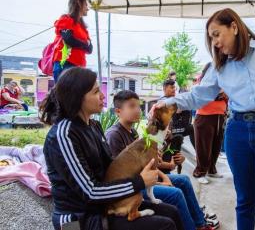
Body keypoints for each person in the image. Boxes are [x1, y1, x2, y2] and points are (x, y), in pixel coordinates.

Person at [153, 8, 255, 230]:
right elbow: (198, 95)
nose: (214, 43)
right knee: (244, 201)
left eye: (216, 34)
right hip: (238, 131)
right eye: (210, 38)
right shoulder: (218, 66)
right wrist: (166, 102)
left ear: (234, 27)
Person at [40, 67, 182, 230]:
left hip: (104, 204)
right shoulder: (63, 135)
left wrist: (141, 156)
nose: (102, 95)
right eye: (95, 92)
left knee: (171, 212)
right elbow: (89, 192)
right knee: (165, 225)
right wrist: (139, 182)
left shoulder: (93, 125)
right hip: (77, 220)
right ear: (77, 98)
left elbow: (112, 164)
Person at [105, 90, 219, 230]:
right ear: (118, 111)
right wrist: (162, 179)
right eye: (131, 106)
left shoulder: (133, 132)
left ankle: (199, 223)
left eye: (138, 105)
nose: (137, 110)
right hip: (131, 188)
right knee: (176, 193)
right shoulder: (113, 135)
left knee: (183, 179)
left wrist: (167, 171)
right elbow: (124, 175)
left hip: (142, 180)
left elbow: (147, 162)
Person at [192, 62, 228, 185]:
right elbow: (202, 94)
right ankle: (200, 172)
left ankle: (212, 169)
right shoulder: (200, 80)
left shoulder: (224, 80)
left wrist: (224, 93)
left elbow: (229, 94)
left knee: (216, 146)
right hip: (204, 117)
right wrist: (220, 93)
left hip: (220, 116)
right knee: (204, 148)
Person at [52, 0, 93, 82]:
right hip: (65, 64)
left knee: (75, 95)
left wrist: (80, 43)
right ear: (78, 3)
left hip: (79, 67)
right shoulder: (66, 19)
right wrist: (85, 44)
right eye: (86, 5)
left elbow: (90, 49)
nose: (88, 8)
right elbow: (69, 39)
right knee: (64, 94)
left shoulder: (83, 27)